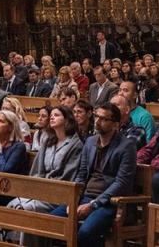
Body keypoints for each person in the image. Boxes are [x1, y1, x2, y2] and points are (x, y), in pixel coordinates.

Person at [51, 103, 137, 247]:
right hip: (84, 197)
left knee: (86, 232)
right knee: (50, 221)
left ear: (115, 124)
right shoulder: (90, 142)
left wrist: (93, 204)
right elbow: (81, 174)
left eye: (103, 119)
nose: (97, 121)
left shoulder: (126, 146)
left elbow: (122, 183)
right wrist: (74, 199)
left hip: (110, 203)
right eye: (97, 116)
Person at [6, 105, 83, 216]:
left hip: (58, 194)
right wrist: (37, 187)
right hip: (39, 189)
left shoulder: (75, 144)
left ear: (67, 120)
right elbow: (37, 169)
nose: (52, 118)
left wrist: (45, 188)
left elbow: (68, 176)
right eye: (51, 115)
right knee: (12, 205)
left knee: (22, 209)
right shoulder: (48, 140)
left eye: (56, 115)